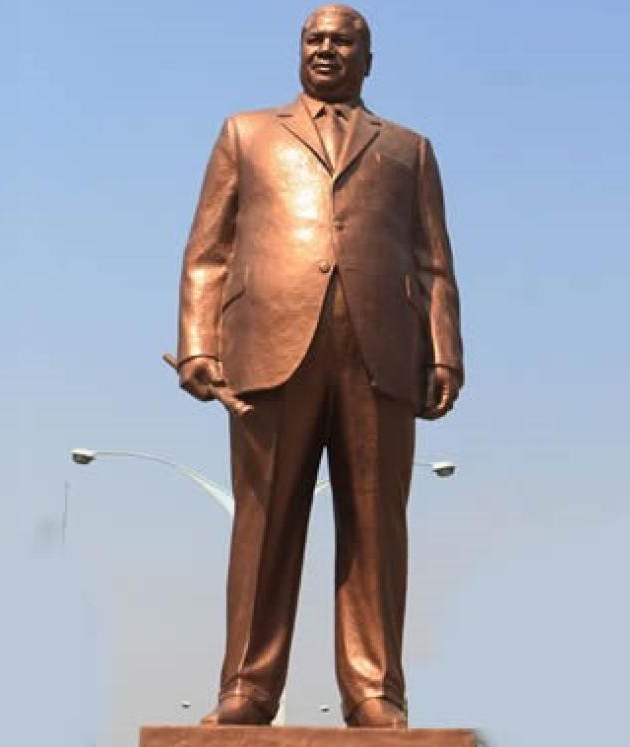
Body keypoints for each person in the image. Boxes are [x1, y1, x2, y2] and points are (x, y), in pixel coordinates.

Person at [175, 4, 464, 729]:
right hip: (269, 346)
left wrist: (445, 348)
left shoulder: (409, 150)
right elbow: (208, 250)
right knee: (264, 520)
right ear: (298, 50)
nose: (326, 49)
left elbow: (434, 263)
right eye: (315, 39)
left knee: (376, 525)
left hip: (383, 350)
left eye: (343, 41)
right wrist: (199, 345)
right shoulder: (246, 134)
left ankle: (374, 690)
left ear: (369, 59)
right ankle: (247, 685)